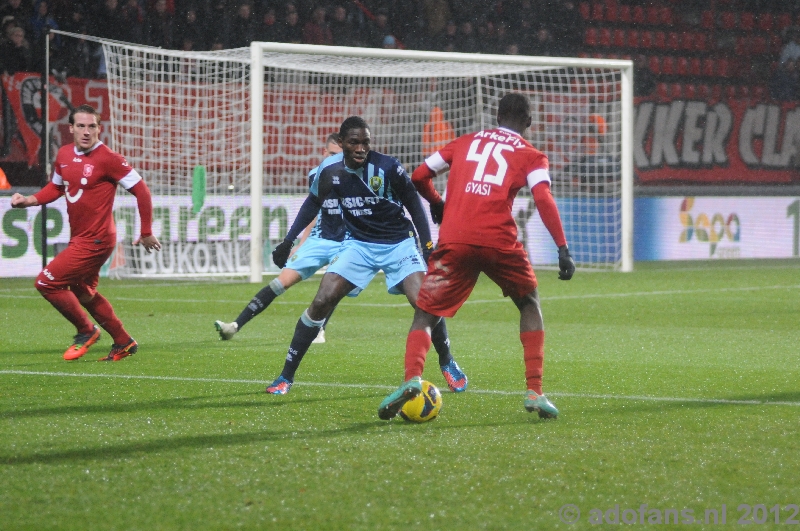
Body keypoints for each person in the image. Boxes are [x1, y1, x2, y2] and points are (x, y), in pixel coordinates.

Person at [378, 93, 575, 421]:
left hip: (455, 238)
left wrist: (438, 203)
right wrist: (562, 247)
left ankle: (412, 377)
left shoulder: (463, 142)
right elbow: (542, 196)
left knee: (425, 313)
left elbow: (418, 176)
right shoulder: (531, 155)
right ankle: (535, 392)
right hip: (499, 241)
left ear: (497, 115)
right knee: (529, 303)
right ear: (528, 121)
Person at [264, 116, 467, 395]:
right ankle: (286, 376)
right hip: (358, 244)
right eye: (354, 143)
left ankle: (447, 361)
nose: (361, 148)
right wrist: (288, 240)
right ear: (343, 144)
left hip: (398, 243)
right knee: (322, 300)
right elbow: (313, 202)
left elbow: (414, 205)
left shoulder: (388, 167)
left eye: (366, 143)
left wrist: (428, 245)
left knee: (424, 302)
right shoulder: (330, 172)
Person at [11, 104, 161, 361]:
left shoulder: (109, 158)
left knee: (46, 282)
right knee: (83, 292)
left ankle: (86, 330)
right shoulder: (64, 154)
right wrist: (29, 200)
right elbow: (55, 189)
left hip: (97, 239)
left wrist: (146, 230)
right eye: (80, 126)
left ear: (99, 129)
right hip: (79, 236)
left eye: (92, 126)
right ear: (71, 128)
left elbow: (142, 191)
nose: (86, 131)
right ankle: (124, 341)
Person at [214, 133, 344, 344]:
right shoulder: (317, 175)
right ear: (324, 152)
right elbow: (313, 211)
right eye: (331, 154)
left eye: (339, 155)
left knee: (333, 284)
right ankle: (235, 326)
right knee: (281, 282)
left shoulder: (354, 175)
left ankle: (319, 330)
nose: (334, 159)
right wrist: (300, 244)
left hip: (348, 242)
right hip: (321, 240)